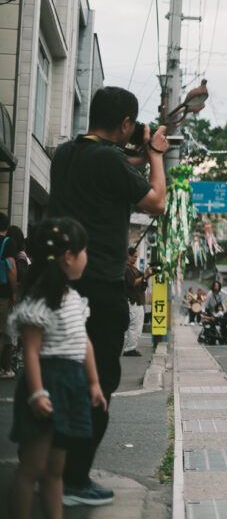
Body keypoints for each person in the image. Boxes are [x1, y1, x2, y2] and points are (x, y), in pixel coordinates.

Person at [47, 86, 167, 506]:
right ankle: (75, 480)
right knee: (97, 385)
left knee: (60, 379)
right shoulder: (110, 160)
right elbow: (156, 202)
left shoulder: (65, 154)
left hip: (59, 286)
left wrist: (136, 149)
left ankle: (51, 472)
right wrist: (156, 155)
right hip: (99, 287)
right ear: (126, 124)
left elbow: (114, 166)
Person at [8, 219, 106, 518]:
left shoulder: (73, 298)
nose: (86, 257)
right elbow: (32, 351)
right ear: (68, 256)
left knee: (55, 470)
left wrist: (93, 383)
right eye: (84, 250)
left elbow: (84, 343)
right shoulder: (41, 300)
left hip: (71, 385)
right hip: (47, 383)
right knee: (32, 469)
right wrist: (37, 392)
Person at [122, 250, 155, 357]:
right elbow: (133, 282)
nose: (135, 259)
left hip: (139, 300)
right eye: (134, 257)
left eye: (136, 257)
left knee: (138, 326)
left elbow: (142, 278)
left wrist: (148, 274)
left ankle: (132, 347)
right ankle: (129, 349)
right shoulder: (126, 268)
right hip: (133, 300)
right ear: (128, 256)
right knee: (134, 325)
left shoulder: (133, 268)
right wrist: (145, 275)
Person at [1, 212, 19, 380]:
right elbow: (11, 266)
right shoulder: (8, 243)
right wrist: (14, 292)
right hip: (2, 293)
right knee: (1, 332)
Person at [201, 281, 227, 345]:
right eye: (215, 286)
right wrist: (203, 311)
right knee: (212, 322)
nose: (216, 287)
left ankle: (226, 338)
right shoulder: (210, 294)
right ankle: (212, 338)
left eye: (217, 286)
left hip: (218, 311)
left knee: (223, 323)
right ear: (213, 286)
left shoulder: (222, 292)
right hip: (210, 311)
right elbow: (205, 304)